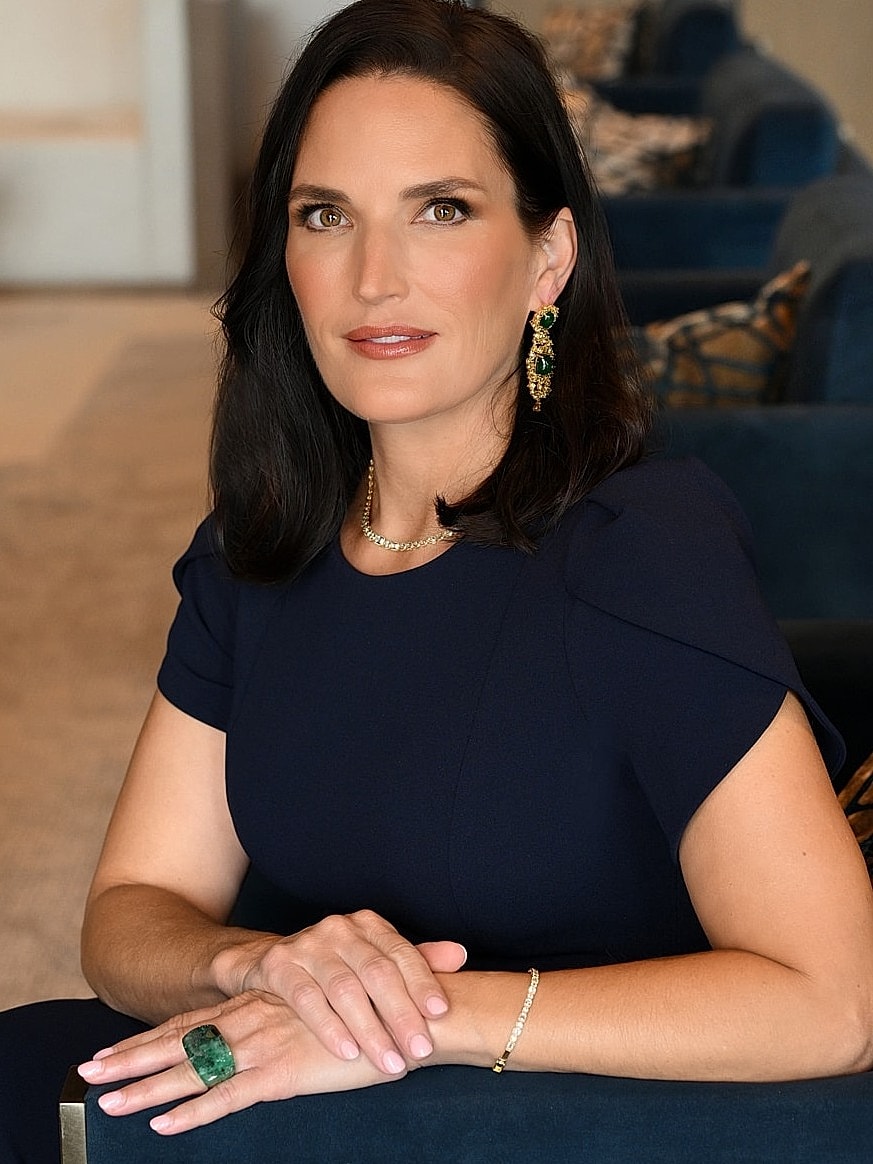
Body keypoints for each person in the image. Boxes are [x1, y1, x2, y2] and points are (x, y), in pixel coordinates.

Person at [2, 0, 873, 1158]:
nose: (373, 280)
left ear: (546, 257)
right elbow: (130, 912)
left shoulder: (640, 554)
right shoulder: (260, 547)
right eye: (326, 216)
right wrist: (255, 963)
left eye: (442, 211)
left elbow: (831, 1002)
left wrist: (407, 1021)